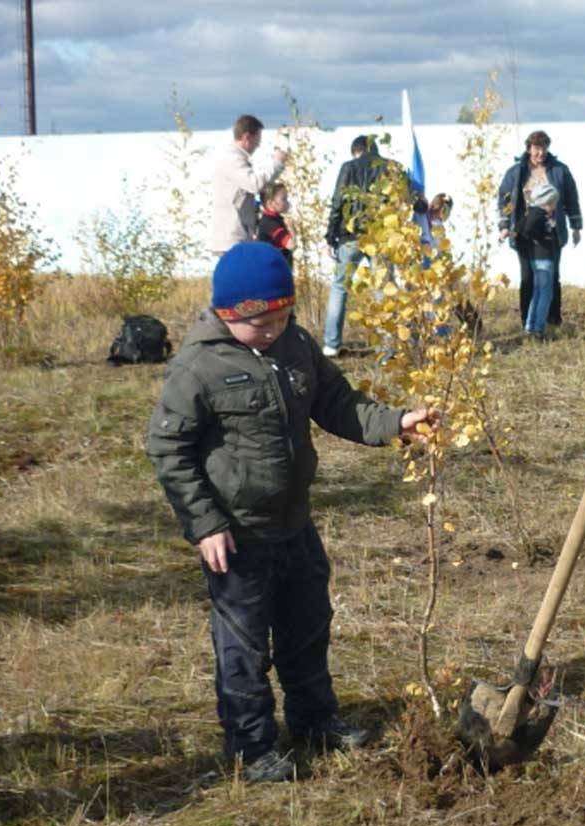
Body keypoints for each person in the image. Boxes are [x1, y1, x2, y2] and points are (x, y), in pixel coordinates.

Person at [146, 242, 439, 783]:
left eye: (283, 317)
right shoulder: (198, 366)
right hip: (236, 535)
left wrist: (397, 422)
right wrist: (205, 524)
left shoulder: (297, 345)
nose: (274, 330)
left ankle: (314, 721)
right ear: (230, 314)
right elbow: (169, 449)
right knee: (244, 645)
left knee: (309, 627)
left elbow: (339, 404)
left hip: (295, 524)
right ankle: (252, 746)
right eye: (262, 323)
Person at [498, 130, 582, 328]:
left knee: (552, 277)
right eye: (536, 149)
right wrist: (503, 226)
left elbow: (571, 199)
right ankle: (528, 321)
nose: (540, 153)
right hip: (524, 232)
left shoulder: (559, 171)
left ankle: (552, 319)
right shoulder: (516, 172)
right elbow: (505, 200)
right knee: (528, 277)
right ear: (529, 149)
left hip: (551, 233)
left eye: (544, 148)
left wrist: (576, 226)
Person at [322, 136, 389, 357]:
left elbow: (338, 200)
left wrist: (330, 236)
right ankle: (386, 348)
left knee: (340, 287)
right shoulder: (389, 167)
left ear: (355, 151)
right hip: (380, 235)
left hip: (350, 235)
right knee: (383, 288)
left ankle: (331, 344)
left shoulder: (348, 168)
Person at [210, 114, 287, 256]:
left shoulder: (234, 158)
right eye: (257, 140)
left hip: (237, 237)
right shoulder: (232, 160)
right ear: (247, 137)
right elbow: (254, 184)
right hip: (232, 239)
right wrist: (277, 164)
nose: (258, 145)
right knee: (237, 278)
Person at [516, 183, 561, 339]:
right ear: (547, 201)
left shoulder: (535, 213)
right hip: (543, 259)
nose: (555, 206)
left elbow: (520, 229)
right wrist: (541, 239)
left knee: (537, 293)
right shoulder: (538, 213)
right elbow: (527, 230)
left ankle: (530, 326)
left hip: (539, 258)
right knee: (545, 294)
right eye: (553, 202)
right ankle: (538, 328)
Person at [257, 181, 294, 268]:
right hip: (272, 271)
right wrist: (291, 228)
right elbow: (291, 245)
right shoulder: (270, 223)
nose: (287, 202)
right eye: (283, 199)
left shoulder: (276, 219)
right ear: (270, 203)